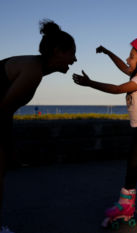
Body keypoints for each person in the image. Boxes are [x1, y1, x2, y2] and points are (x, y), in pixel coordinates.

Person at [72, 37, 137, 231]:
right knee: (132, 166)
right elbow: (123, 67)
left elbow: (118, 89)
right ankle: (126, 207)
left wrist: (90, 83)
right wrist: (107, 51)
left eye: (132, 57)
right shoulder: (136, 74)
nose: (128, 60)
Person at [0, 19, 76, 232]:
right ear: (57, 52)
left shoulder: (35, 67)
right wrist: (9, 148)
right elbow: (3, 110)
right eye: (72, 53)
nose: (75, 59)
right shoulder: (33, 70)